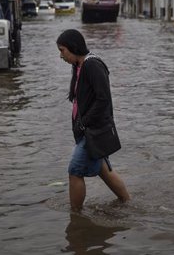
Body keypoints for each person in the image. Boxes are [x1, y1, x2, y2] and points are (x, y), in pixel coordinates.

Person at [56, 29, 130, 211]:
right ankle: (127, 203)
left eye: (62, 50)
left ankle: (76, 216)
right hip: (87, 131)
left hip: (94, 131)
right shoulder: (79, 66)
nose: (61, 56)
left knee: (75, 171)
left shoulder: (92, 65)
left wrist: (84, 122)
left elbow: (103, 99)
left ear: (73, 48)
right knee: (104, 171)